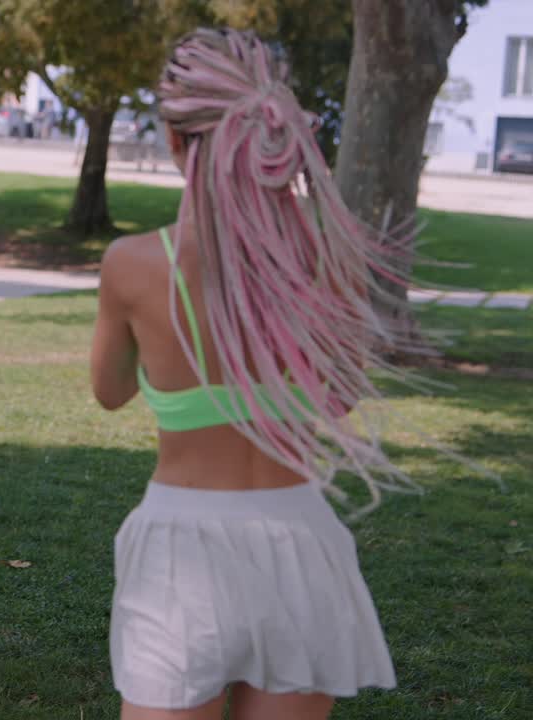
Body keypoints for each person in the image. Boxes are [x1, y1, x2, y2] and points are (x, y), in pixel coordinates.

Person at [91, 28, 419, 719]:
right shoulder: (330, 255)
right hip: (300, 540)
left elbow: (110, 393)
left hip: (180, 545)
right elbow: (339, 397)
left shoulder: (134, 264)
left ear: (176, 140)